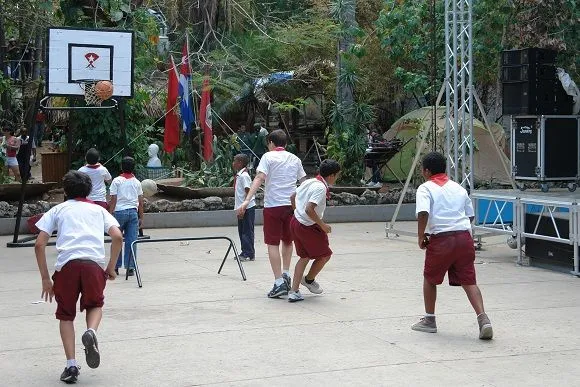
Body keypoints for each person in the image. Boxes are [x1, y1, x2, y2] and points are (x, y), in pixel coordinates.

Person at [34, 170, 123, 383]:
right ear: (89, 190)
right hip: (93, 265)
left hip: (67, 267)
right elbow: (118, 236)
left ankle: (71, 366)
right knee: (94, 305)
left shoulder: (58, 210)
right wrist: (110, 267)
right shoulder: (98, 210)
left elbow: (39, 244)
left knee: (65, 315)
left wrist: (46, 279)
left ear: (66, 190)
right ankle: (91, 331)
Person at [412, 151, 493, 340]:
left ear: (426, 171)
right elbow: (470, 215)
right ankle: (483, 319)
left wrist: (421, 236)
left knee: (430, 279)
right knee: (469, 281)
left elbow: (423, 213)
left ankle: (430, 320)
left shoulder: (425, 188)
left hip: (441, 239)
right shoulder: (459, 188)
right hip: (464, 238)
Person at [237, 129, 306, 298]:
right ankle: (286, 274)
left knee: (272, 243)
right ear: (286, 144)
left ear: (271, 143)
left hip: (273, 206)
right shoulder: (295, 159)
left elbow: (259, 178)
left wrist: (247, 200)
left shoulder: (268, 157)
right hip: (291, 206)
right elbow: (304, 182)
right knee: (288, 241)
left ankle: (278, 282)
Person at [288, 159, 341, 302]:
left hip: (296, 222)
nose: (336, 179)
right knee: (325, 255)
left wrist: (295, 212)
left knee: (304, 257)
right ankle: (309, 280)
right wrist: (323, 225)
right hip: (308, 226)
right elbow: (309, 209)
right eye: (337, 176)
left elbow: (292, 197)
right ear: (331, 175)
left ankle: (294, 291)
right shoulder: (320, 188)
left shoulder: (309, 181)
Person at [109, 156, 144, 277]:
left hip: (119, 213)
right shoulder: (137, 182)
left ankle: (116, 266)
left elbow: (113, 199)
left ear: (121, 167)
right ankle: (130, 267)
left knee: (116, 239)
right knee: (131, 240)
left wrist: (110, 214)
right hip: (133, 213)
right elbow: (140, 201)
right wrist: (141, 217)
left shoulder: (116, 181)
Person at [233, 153, 256, 261]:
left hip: (246, 208)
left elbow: (248, 191)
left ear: (240, 163)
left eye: (235, 161)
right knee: (242, 230)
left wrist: (244, 207)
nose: (233, 163)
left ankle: (249, 253)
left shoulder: (244, 176)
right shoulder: (240, 175)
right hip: (241, 207)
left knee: (247, 231)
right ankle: (244, 251)